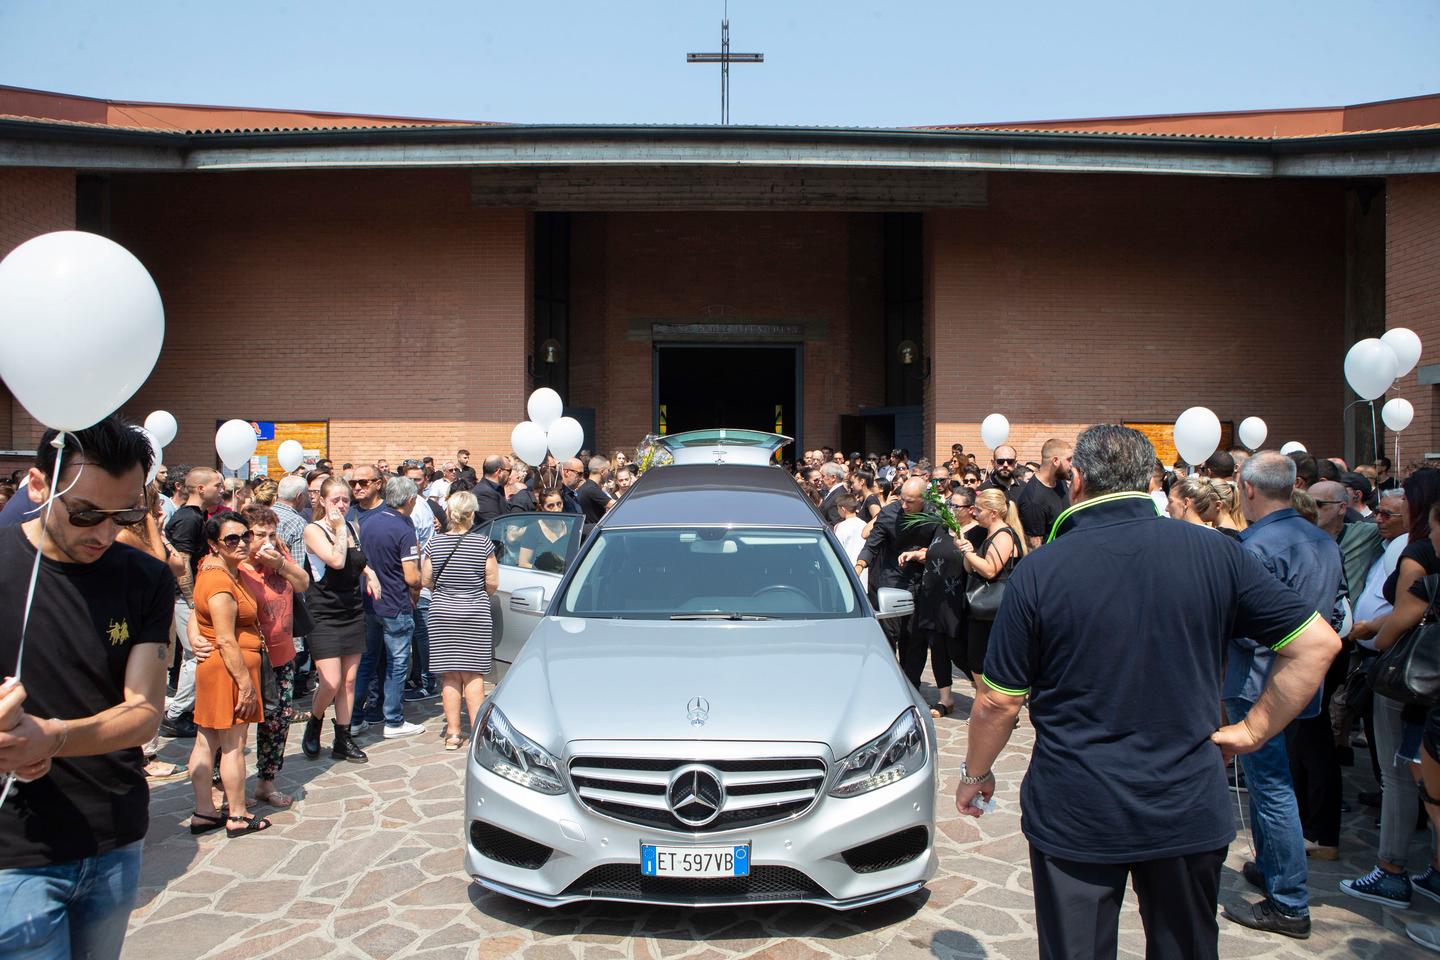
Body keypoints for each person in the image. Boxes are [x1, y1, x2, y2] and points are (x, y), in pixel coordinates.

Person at [955, 425, 1340, 960]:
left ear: (1079, 481)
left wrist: (975, 774)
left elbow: (999, 701)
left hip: (1079, 808)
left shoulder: (1041, 571)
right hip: (1184, 800)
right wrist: (1254, 729)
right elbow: (1317, 642)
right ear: (1149, 480)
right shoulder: (1216, 552)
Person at [0, 417, 174, 960]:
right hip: (14, 850)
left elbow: (144, 712)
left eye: (124, 514)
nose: (104, 533)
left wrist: (51, 738)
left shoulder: (145, 579)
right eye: (84, 514)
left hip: (113, 835)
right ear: (36, 486)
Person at [1223, 451, 1344, 938]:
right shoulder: (1323, 539)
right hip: (1301, 683)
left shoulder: (1253, 548)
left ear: (1248, 490)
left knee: (1271, 789)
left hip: (1261, 685)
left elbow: (1247, 626)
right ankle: (1275, 867)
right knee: (1278, 785)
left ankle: (1289, 901)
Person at [1342, 471, 1440, 909]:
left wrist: (1371, 635)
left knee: (1399, 774)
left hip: (1408, 678)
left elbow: (1402, 617)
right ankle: (1433, 869)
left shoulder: (1419, 554)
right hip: (1430, 678)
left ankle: (1391, 869)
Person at [185, 510, 273, 838]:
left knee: (206, 740)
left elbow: (197, 612)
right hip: (228, 670)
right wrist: (246, 686)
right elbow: (224, 637)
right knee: (232, 744)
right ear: (214, 544)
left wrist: (195, 634)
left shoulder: (217, 570)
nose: (241, 543)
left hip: (219, 668)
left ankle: (204, 812)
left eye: (244, 536)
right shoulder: (220, 580)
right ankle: (236, 814)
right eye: (231, 539)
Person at [236, 505, 309, 810]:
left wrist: (280, 564)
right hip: (248, 656)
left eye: (271, 533)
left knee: (277, 721)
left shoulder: (278, 555)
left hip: (282, 654)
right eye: (259, 534)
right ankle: (226, 786)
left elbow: (303, 582)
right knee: (236, 724)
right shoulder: (235, 564)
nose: (266, 540)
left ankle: (267, 782)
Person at [299, 478, 376, 763]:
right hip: (324, 613)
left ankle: (343, 738)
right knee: (330, 682)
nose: (342, 505)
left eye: (345, 500)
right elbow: (336, 560)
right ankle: (315, 720)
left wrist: (371, 574)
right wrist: (341, 528)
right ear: (321, 500)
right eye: (336, 500)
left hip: (351, 610)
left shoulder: (352, 528)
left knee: (349, 681)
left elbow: (359, 560)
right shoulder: (313, 530)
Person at [422, 491, 499, 749]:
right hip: (474, 612)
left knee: (450, 676)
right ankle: (477, 733)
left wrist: (446, 592)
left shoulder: (435, 544)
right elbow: (492, 582)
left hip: (442, 612)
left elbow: (426, 580)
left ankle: (453, 733)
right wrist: (474, 592)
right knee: (473, 675)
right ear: (472, 514)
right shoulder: (483, 544)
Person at [352, 476, 425, 739]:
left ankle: (354, 718)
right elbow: (411, 577)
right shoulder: (405, 528)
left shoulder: (369, 522)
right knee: (397, 662)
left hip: (371, 602)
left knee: (367, 662)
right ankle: (393, 720)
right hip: (395, 604)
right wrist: (423, 580)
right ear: (409, 500)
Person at [159, 467, 225, 739]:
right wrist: (192, 599)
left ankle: (183, 711)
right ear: (200, 489)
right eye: (217, 485)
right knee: (197, 656)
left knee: (195, 655)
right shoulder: (189, 519)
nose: (221, 490)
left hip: (191, 597)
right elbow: (182, 563)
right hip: (186, 598)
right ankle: (175, 715)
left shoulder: (195, 516)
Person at [857, 478, 938, 689]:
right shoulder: (890, 512)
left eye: (910, 502)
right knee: (888, 636)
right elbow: (872, 544)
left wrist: (925, 554)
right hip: (891, 582)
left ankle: (911, 686)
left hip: (921, 583)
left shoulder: (935, 514)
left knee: (914, 639)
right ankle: (889, 683)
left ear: (923, 499)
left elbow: (943, 547)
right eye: (902, 500)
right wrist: (858, 566)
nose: (904, 505)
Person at [958, 488, 1024, 690]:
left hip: (995, 608)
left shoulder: (1003, 536)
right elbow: (970, 568)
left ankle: (990, 702)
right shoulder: (989, 534)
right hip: (984, 610)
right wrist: (967, 550)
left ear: (993, 513)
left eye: (978, 509)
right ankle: (985, 700)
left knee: (983, 659)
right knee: (976, 659)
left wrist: (968, 553)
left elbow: (989, 570)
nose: (974, 513)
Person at [1015, 439, 1072, 549]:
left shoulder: (1059, 480)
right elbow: (1035, 549)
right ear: (1055, 461)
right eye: (1069, 459)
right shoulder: (1033, 500)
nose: (1072, 464)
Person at [519, 489, 571, 570]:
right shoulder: (533, 530)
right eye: (551, 506)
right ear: (541, 507)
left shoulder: (571, 527)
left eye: (559, 504)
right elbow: (523, 563)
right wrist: (544, 570)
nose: (556, 509)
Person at [473, 455, 513, 524]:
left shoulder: (495, 488)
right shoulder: (484, 492)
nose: (510, 475)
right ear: (499, 471)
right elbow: (494, 523)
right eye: (509, 471)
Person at [575, 456, 614, 525]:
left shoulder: (588, 487)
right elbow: (616, 505)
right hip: (593, 532)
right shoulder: (591, 489)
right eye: (608, 470)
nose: (609, 473)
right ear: (602, 471)